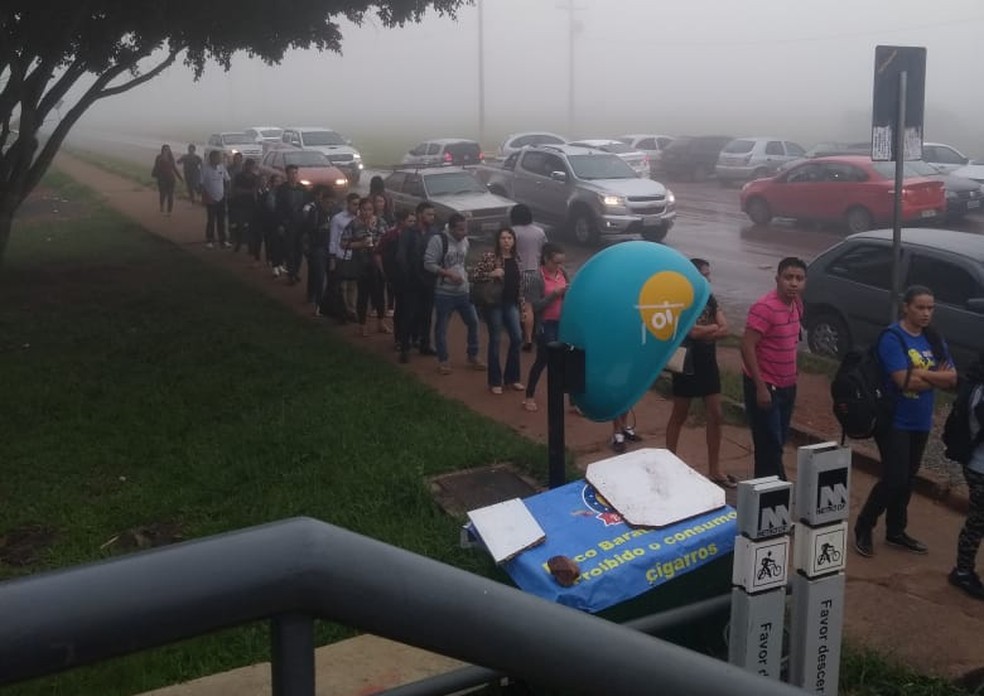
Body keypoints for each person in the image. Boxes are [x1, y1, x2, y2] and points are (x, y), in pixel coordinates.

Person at [854, 285, 957, 558]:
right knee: (894, 478)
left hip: (920, 420)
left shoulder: (933, 338)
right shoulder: (893, 337)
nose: (926, 313)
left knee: (908, 479)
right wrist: (935, 376)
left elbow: (952, 378)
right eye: (920, 307)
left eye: (930, 308)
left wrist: (922, 374)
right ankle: (864, 524)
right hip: (894, 420)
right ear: (906, 307)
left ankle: (896, 530)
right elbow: (903, 380)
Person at [665, 258, 733, 487]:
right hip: (686, 363)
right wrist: (713, 328)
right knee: (680, 414)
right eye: (703, 275)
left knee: (716, 414)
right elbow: (692, 332)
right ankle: (670, 462)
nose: (708, 279)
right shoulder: (680, 301)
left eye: (709, 275)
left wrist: (710, 330)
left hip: (708, 363)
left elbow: (726, 329)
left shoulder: (709, 299)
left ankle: (715, 468)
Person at [739, 257, 807, 480]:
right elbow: (747, 346)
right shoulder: (764, 307)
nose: (794, 283)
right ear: (777, 279)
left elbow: (790, 343)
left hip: (788, 386)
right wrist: (760, 387)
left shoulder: (797, 304)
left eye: (799, 279)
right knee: (770, 444)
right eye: (789, 278)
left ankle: (766, 495)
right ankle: (776, 496)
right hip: (766, 387)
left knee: (776, 442)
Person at [424, 213, 484, 375]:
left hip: (463, 291)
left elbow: (462, 262)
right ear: (450, 228)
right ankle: (443, 360)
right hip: (444, 292)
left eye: (466, 229)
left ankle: (473, 354)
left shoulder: (465, 241)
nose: (464, 233)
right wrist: (448, 274)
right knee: (442, 326)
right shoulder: (438, 241)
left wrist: (465, 275)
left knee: (473, 322)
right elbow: (428, 264)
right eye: (460, 229)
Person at [470, 227, 525, 394]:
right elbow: (474, 275)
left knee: (516, 338)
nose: (506, 241)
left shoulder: (517, 258)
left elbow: (520, 285)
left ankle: (512, 378)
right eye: (503, 238)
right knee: (495, 339)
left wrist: (522, 305)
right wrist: (492, 273)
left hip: (511, 303)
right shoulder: (490, 256)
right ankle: (495, 381)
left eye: (509, 238)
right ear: (498, 240)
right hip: (494, 303)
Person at [950, 350, 984, 600]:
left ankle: (963, 569)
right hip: (979, 467)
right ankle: (962, 571)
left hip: (976, 462)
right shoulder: (979, 394)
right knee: (977, 521)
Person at [522, 243, 568, 412]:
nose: (559, 266)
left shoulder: (562, 273)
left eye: (561, 262)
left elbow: (567, 294)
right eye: (556, 262)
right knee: (543, 359)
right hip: (545, 324)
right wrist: (554, 295)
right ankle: (529, 395)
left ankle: (573, 402)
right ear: (546, 259)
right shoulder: (536, 278)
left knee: (567, 359)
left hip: (561, 322)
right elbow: (534, 306)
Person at [341, 197, 390, 337]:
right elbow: (343, 243)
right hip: (361, 263)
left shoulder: (380, 222)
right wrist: (360, 244)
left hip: (378, 263)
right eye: (364, 209)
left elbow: (387, 239)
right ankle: (362, 325)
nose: (366, 212)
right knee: (363, 294)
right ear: (359, 210)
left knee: (380, 295)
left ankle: (381, 322)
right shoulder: (354, 224)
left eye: (369, 209)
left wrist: (378, 243)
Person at [395, 202, 435, 362]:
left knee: (427, 314)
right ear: (419, 215)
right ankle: (405, 348)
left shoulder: (434, 232)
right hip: (412, 281)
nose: (432, 217)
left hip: (429, 279)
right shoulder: (408, 233)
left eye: (433, 214)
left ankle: (425, 343)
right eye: (429, 214)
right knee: (409, 315)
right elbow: (401, 256)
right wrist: (408, 275)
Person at [510, 204, 548, 351]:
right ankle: (536, 334)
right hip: (536, 272)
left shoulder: (513, 232)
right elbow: (545, 250)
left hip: (520, 272)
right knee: (534, 306)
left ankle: (527, 339)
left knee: (524, 307)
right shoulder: (539, 232)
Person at [327, 193, 361, 322]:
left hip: (355, 255)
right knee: (342, 286)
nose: (356, 207)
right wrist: (332, 257)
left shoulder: (359, 218)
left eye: (358, 204)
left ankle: (351, 310)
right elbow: (333, 239)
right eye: (354, 204)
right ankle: (342, 310)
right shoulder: (338, 219)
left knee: (353, 285)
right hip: (341, 255)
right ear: (347, 203)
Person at [303, 185, 336, 315]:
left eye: (332, 202)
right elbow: (309, 230)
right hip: (318, 248)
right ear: (322, 200)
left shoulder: (336, 213)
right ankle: (318, 303)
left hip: (331, 248)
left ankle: (326, 302)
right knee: (319, 276)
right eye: (328, 202)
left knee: (331, 276)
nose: (330, 205)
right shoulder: (315, 212)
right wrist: (322, 228)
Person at [275, 164, 309, 285]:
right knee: (289, 250)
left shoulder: (303, 189)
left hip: (300, 224)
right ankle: (291, 273)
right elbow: (278, 208)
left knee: (299, 250)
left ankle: (296, 272)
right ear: (287, 174)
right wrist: (281, 224)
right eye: (291, 173)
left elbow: (308, 205)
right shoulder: (282, 190)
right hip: (288, 224)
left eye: (295, 173)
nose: (293, 175)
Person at [200, 149, 230, 249]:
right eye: (217, 157)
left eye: (219, 157)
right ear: (212, 158)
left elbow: (227, 180)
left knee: (221, 220)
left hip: (221, 198)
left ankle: (223, 240)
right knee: (211, 220)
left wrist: (226, 192)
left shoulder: (222, 167)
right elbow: (201, 184)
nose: (219, 159)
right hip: (210, 198)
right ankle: (209, 240)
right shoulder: (205, 169)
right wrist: (205, 196)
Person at [229, 158, 260, 254]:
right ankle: (239, 242)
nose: (250, 168)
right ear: (245, 166)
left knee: (250, 227)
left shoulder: (255, 177)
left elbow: (256, 191)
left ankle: (250, 247)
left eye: (252, 166)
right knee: (240, 225)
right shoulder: (239, 177)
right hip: (240, 204)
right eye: (249, 166)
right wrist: (249, 191)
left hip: (251, 205)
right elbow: (236, 190)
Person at [151, 144, 182, 216]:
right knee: (162, 194)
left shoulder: (171, 158)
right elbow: (156, 167)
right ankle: (162, 206)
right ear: (162, 150)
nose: (166, 151)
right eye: (165, 149)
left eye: (168, 149)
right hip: (162, 179)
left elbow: (174, 168)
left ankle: (169, 211)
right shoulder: (159, 157)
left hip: (171, 179)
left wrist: (180, 177)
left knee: (170, 196)